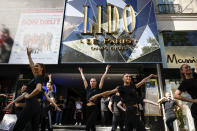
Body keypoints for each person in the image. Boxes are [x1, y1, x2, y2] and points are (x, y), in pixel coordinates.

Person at [5, 48, 60, 131]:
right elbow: (47, 97)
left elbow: (36, 90)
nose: (35, 67)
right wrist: (29, 55)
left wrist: (29, 96)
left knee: (18, 126)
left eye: (37, 66)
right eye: (35, 66)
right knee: (34, 128)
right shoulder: (39, 79)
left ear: (42, 68)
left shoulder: (38, 77)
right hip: (37, 107)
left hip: (31, 104)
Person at [89, 73, 157, 131]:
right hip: (130, 110)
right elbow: (109, 92)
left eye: (130, 76)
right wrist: (96, 95)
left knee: (130, 128)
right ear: (123, 79)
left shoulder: (133, 86)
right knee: (140, 128)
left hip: (133, 111)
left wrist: (150, 76)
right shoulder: (121, 88)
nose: (129, 77)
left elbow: (143, 81)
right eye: (126, 76)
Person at [78, 65, 110, 131]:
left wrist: (106, 70)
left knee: (88, 125)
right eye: (91, 81)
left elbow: (102, 79)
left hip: (94, 109)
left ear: (96, 82)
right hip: (87, 109)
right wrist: (81, 72)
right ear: (90, 82)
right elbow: (84, 79)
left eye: (94, 81)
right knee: (92, 125)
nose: (92, 82)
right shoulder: (87, 88)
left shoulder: (98, 89)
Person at [174, 63, 197, 128]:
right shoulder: (185, 82)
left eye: (189, 67)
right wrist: (192, 100)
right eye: (186, 67)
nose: (189, 68)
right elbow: (176, 95)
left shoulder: (195, 76)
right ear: (182, 71)